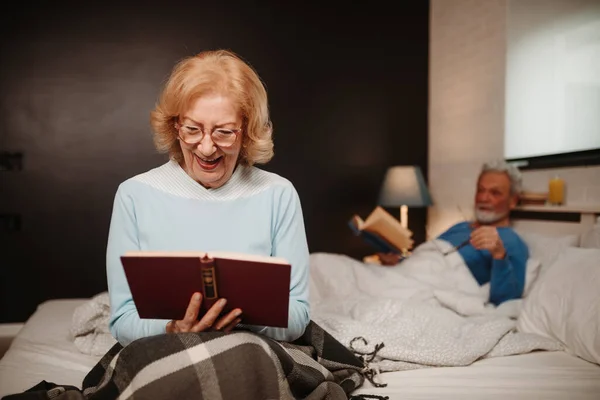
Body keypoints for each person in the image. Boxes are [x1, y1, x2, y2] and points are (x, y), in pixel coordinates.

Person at [106, 49, 310, 347]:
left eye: (224, 132)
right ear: (175, 126)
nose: (205, 148)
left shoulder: (279, 195)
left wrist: (235, 318)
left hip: (250, 350)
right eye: (192, 129)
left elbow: (298, 316)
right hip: (165, 350)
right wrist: (174, 329)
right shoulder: (134, 195)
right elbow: (122, 320)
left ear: (248, 133)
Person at [379, 160, 529, 306]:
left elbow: (508, 299)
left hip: (432, 287)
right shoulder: (461, 226)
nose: (483, 198)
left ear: (513, 201)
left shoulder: (511, 241)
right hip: (406, 274)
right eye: (480, 190)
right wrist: (400, 261)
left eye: (495, 193)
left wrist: (499, 255)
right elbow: (428, 257)